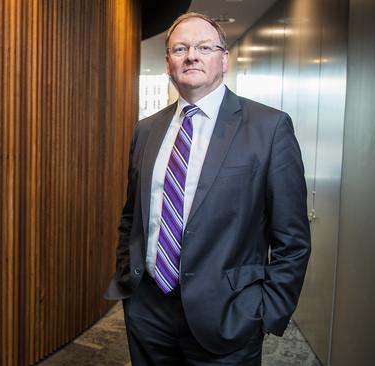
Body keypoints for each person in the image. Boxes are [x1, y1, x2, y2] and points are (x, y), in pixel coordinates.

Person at [105, 12, 311, 365]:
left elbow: (292, 239)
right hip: (149, 311)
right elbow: (132, 217)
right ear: (168, 62)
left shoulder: (269, 128)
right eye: (180, 48)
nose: (192, 56)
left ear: (224, 60)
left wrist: (264, 311)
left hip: (229, 315)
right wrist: (129, 278)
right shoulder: (146, 130)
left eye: (204, 46)